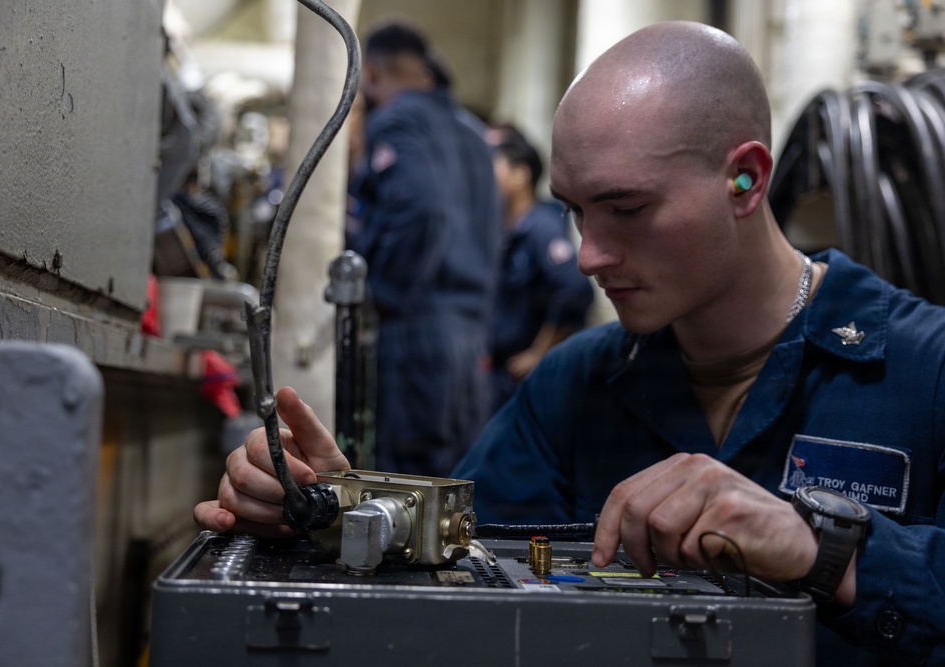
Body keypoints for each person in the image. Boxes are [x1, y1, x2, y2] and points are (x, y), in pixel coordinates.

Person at [195, 21, 945, 665]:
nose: (588, 256)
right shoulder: (575, 387)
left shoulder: (924, 368)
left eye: (625, 208)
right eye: (578, 213)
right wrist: (335, 509)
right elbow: (463, 564)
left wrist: (827, 549)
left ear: (745, 181)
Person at [345, 21, 502, 477]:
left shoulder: (396, 119)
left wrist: (386, 294)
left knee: (409, 486)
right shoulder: (473, 134)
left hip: (418, 331)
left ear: (371, 72)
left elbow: (422, 211)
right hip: (470, 337)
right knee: (457, 482)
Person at [488, 132, 593, 411]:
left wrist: (540, 351)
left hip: (525, 376)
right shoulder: (505, 231)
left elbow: (574, 289)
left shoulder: (540, 228)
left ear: (519, 175)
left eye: (492, 168)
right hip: (500, 372)